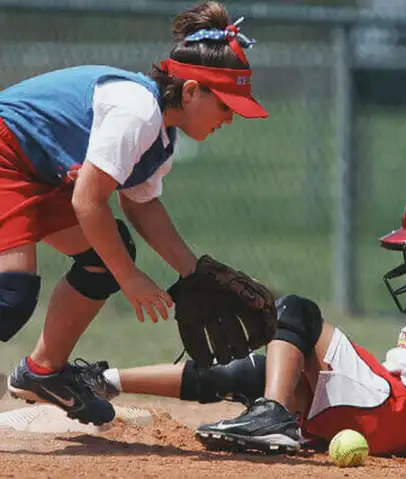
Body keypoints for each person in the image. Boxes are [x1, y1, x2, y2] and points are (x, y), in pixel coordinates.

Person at [77, 184, 406, 465]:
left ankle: (273, 417)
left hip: (392, 409)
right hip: (384, 411)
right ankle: (102, 381)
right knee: (253, 370)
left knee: (295, 311)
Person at [0, 1, 267, 426]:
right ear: (192, 90)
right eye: (226, 105)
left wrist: (193, 273)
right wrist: (130, 278)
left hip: (36, 170)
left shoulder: (160, 139)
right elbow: (87, 202)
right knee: (10, 298)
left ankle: (42, 372)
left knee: (105, 255)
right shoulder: (138, 112)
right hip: (7, 153)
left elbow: (141, 205)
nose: (230, 119)